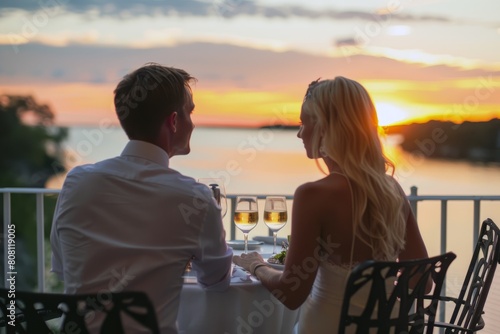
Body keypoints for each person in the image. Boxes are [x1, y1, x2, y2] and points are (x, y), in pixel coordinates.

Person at [233, 76, 429, 333]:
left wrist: (257, 265)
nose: (299, 133)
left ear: (326, 127)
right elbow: (421, 283)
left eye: (305, 122)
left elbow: (291, 293)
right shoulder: (392, 190)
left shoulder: (313, 195)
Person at [50, 63, 233, 334]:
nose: (192, 122)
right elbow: (217, 281)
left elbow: (63, 267)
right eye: (190, 112)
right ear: (173, 121)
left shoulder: (77, 181)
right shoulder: (195, 198)